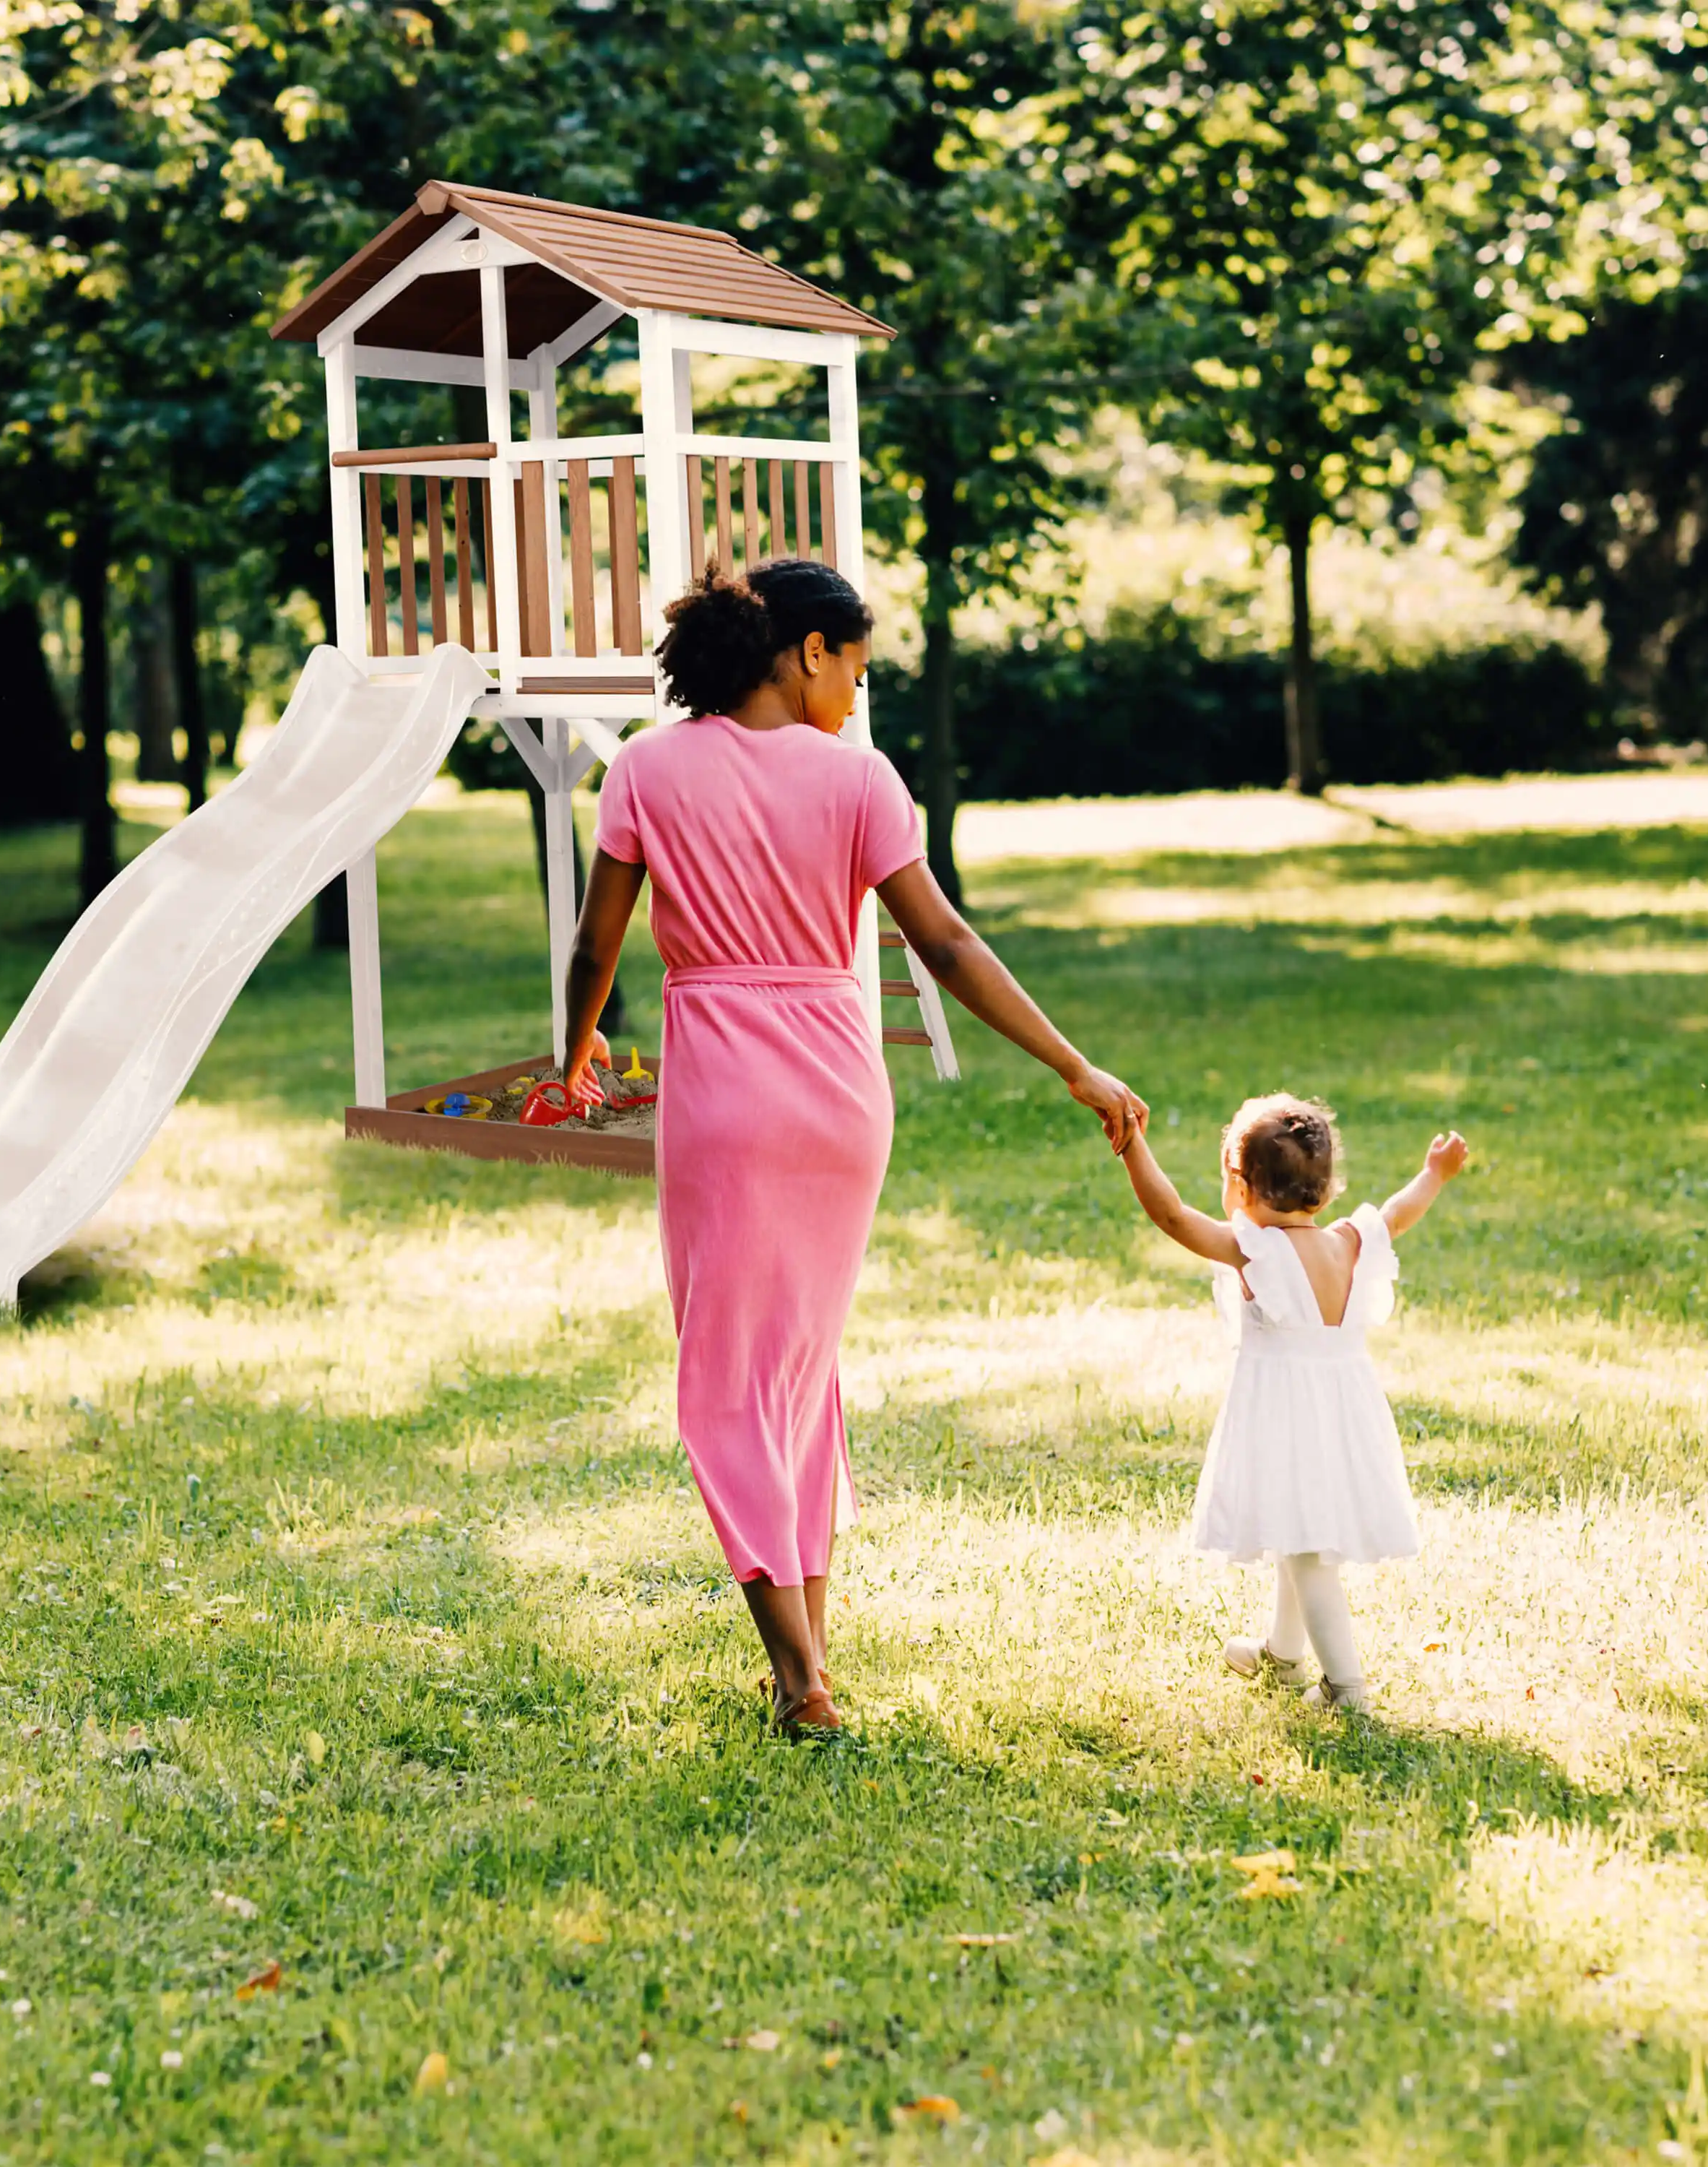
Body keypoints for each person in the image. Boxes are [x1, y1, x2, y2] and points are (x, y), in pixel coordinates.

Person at [558, 561, 1147, 1736]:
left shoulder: (645, 768)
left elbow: (596, 947)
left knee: (729, 1380)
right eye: (856, 670)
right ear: (805, 651)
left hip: (724, 1096)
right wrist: (1072, 1062)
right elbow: (946, 944)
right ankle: (809, 1659)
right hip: (839, 1096)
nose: (857, 697)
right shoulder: (862, 781)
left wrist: (571, 1055)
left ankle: (797, 1677)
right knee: (797, 1371)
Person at [1117, 1092, 1469, 1710]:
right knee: (1294, 1528)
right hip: (1344, 1414)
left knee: (1307, 1553)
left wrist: (1132, 1144)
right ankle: (1283, 1655)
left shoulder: (1256, 1251)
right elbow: (1399, 1212)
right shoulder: (1351, 1241)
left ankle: (1346, 1688)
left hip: (1287, 1417)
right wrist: (1433, 1174)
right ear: (1327, 1190)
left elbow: (1171, 1215)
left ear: (1241, 1187)